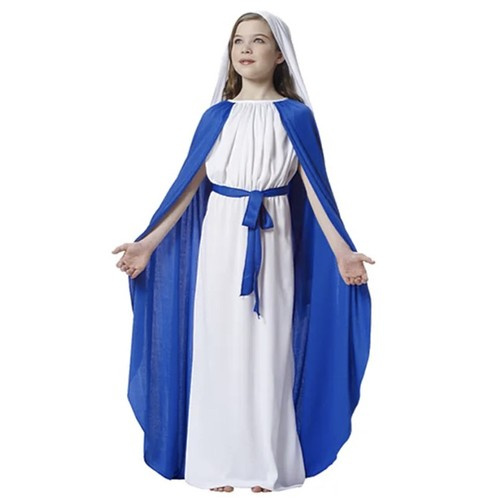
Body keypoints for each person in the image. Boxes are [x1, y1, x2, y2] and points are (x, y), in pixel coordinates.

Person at [112, 10, 374, 493]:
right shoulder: (216, 116)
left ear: (280, 54)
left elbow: (317, 192)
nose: (246, 49)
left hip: (273, 239)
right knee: (218, 345)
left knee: (268, 348)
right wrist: (147, 244)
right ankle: (214, 463)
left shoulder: (296, 117)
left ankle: (265, 465)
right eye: (238, 41)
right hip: (222, 240)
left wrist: (343, 252)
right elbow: (187, 186)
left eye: (258, 40)